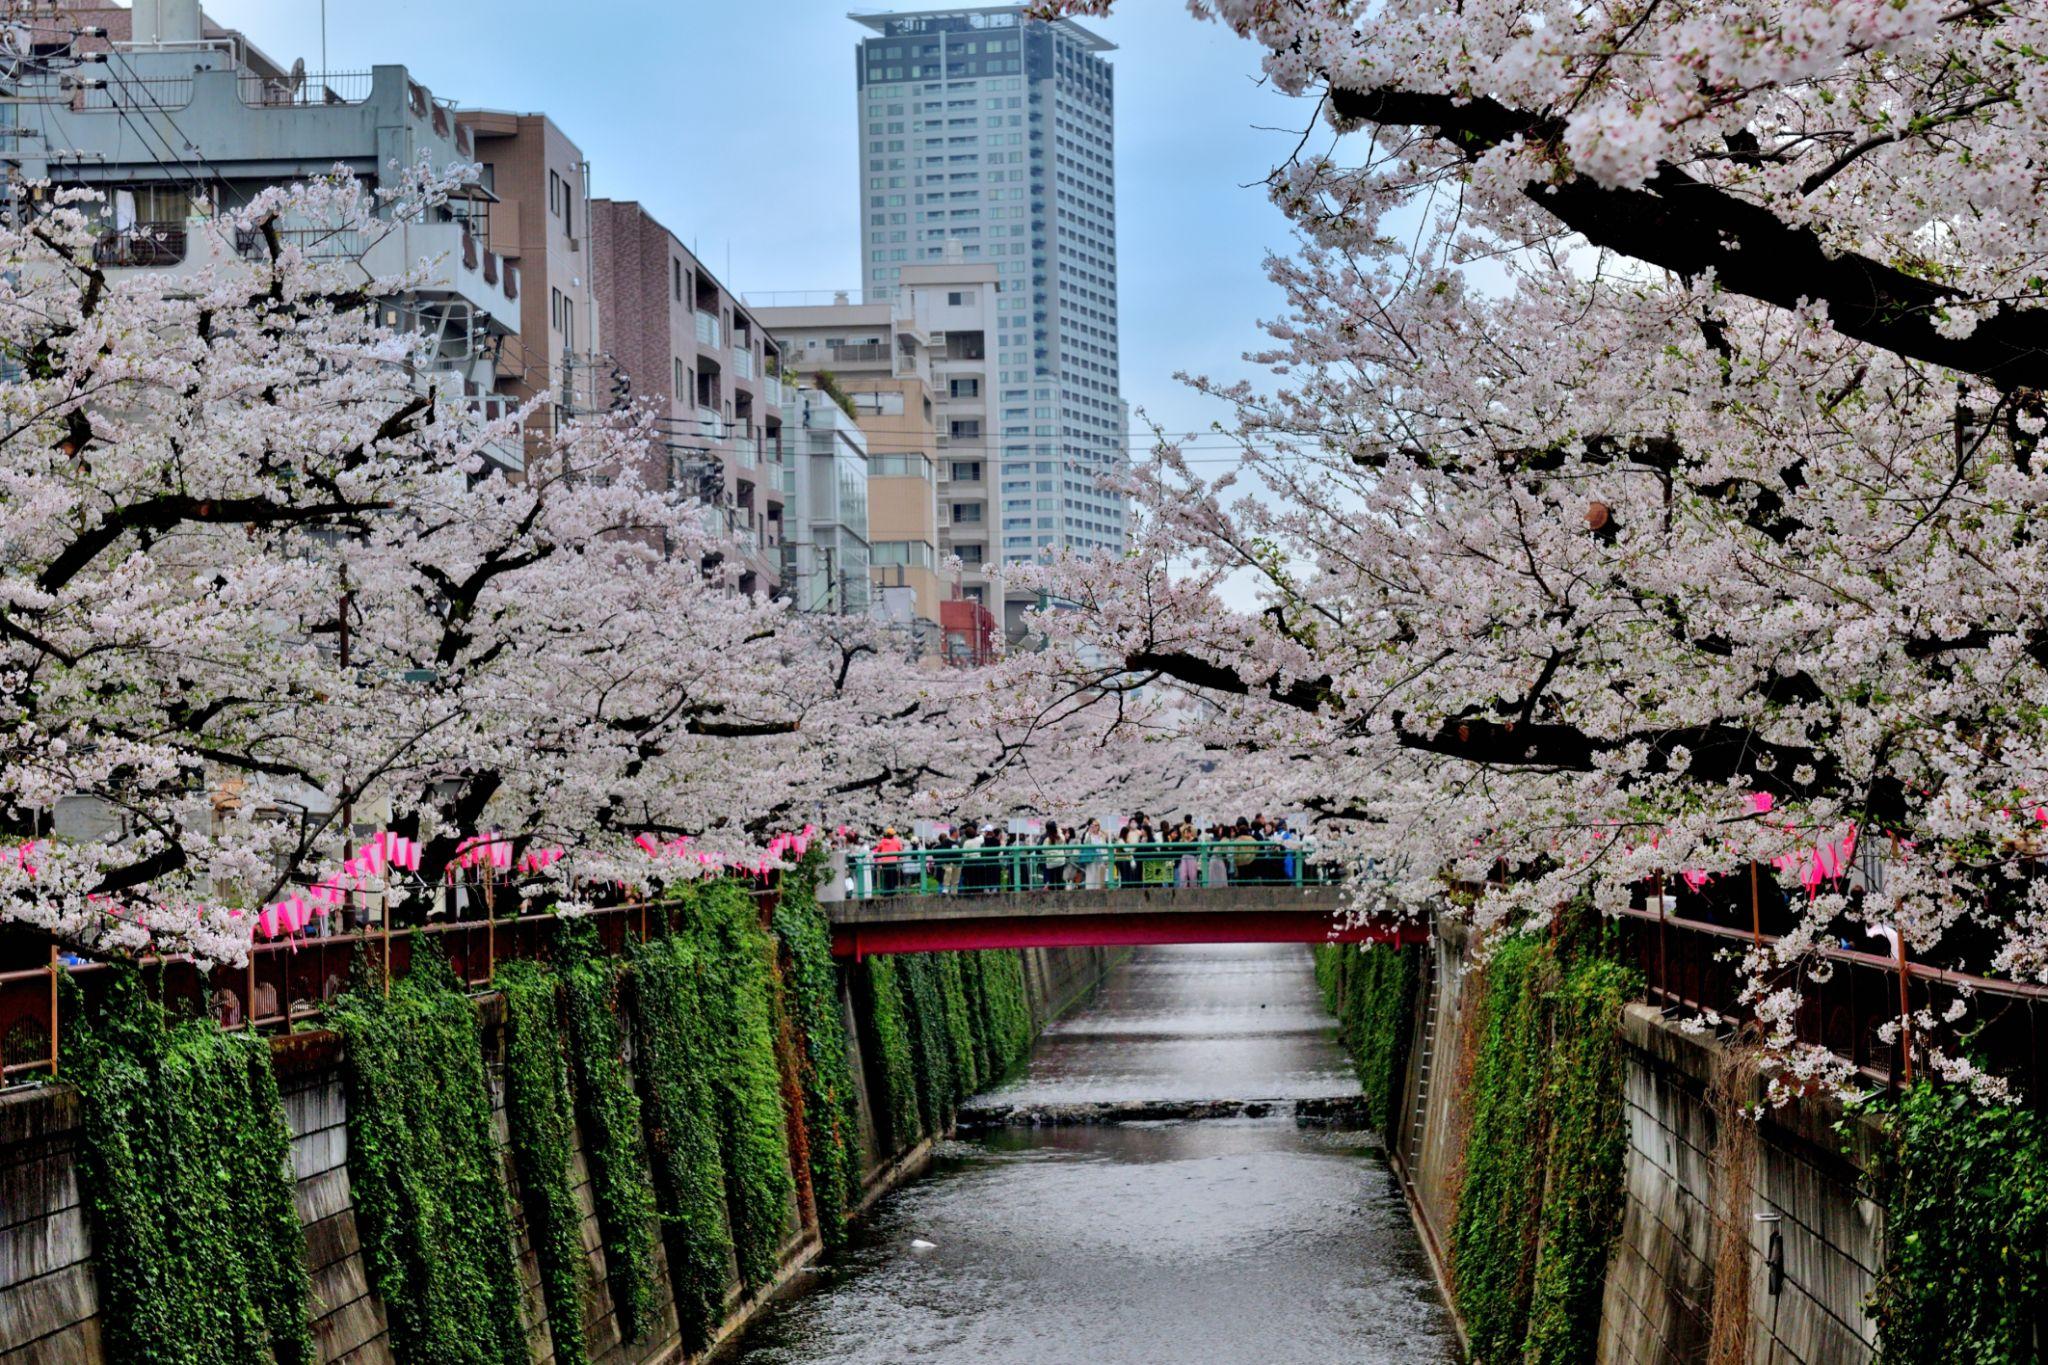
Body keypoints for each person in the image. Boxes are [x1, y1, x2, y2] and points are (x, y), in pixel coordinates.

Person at [873, 826, 905, 894]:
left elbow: (878, 850)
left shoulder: (882, 841)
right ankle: (892, 891)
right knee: (893, 876)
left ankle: (886, 891)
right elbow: (900, 850)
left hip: (885, 862)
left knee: (886, 876)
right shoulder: (896, 842)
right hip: (893, 861)